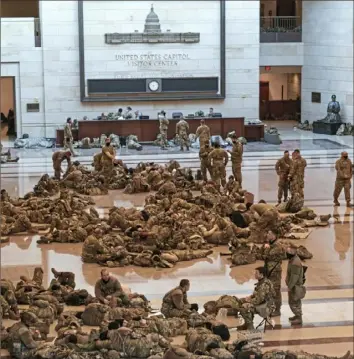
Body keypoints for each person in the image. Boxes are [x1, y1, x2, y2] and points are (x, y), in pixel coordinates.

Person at [263, 231, 285, 316]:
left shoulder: (277, 245)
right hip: (269, 269)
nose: (267, 235)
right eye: (267, 233)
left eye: (269, 233)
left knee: (276, 290)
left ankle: (277, 310)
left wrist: (266, 248)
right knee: (269, 290)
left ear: (274, 235)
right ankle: (271, 308)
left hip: (275, 271)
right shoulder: (271, 244)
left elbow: (266, 255)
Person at [286, 247, 305, 325]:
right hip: (294, 285)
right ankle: (297, 316)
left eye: (288, 252)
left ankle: (298, 318)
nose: (287, 253)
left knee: (294, 302)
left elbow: (294, 277)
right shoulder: (293, 260)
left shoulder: (295, 263)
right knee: (294, 301)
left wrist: (289, 287)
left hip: (295, 286)